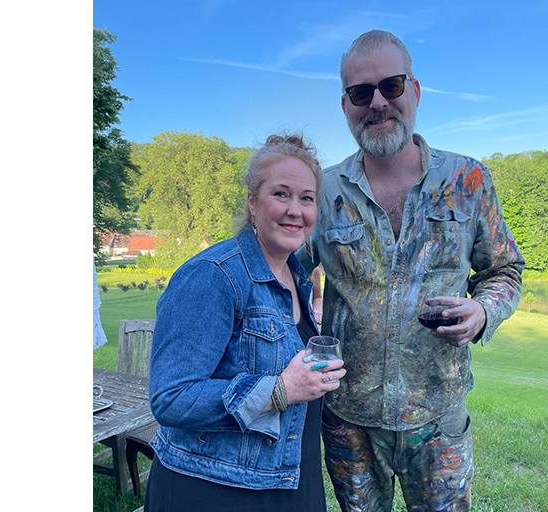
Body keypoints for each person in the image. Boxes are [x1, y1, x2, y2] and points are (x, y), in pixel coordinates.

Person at [296, 30, 526, 512]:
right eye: (361, 92)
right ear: (345, 105)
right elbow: (282, 273)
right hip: (347, 419)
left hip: (437, 415)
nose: (377, 102)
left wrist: (483, 311)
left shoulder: (467, 179)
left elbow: (504, 270)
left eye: (391, 86)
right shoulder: (322, 189)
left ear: (415, 92)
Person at [144, 133, 346, 512]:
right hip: (215, 490)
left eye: (306, 198)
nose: (295, 210)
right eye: (280, 194)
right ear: (252, 202)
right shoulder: (213, 275)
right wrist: (280, 389)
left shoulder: (295, 275)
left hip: (284, 479)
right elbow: (170, 397)